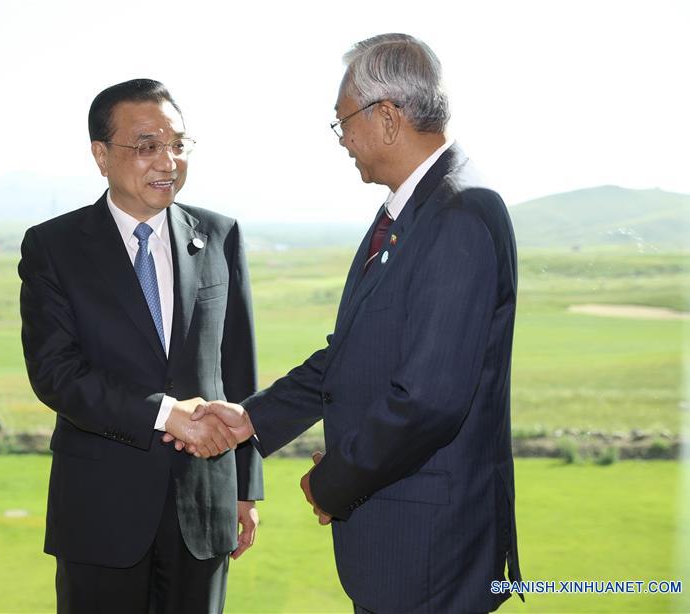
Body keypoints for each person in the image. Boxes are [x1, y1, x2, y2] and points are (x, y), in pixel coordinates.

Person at [184, 34, 523, 612]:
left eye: (343, 122)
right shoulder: (409, 211)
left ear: (387, 117)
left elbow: (429, 400)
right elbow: (353, 352)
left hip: (430, 552)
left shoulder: (460, 214)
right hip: (404, 543)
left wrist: (333, 482)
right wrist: (253, 418)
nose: (342, 141)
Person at [18, 78, 263, 614]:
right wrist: (167, 415)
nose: (167, 161)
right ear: (100, 155)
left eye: (178, 144)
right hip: (100, 511)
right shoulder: (53, 247)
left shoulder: (220, 234)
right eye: (147, 146)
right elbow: (56, 374)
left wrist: (245, 488)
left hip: (204, 505)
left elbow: (237, 369)